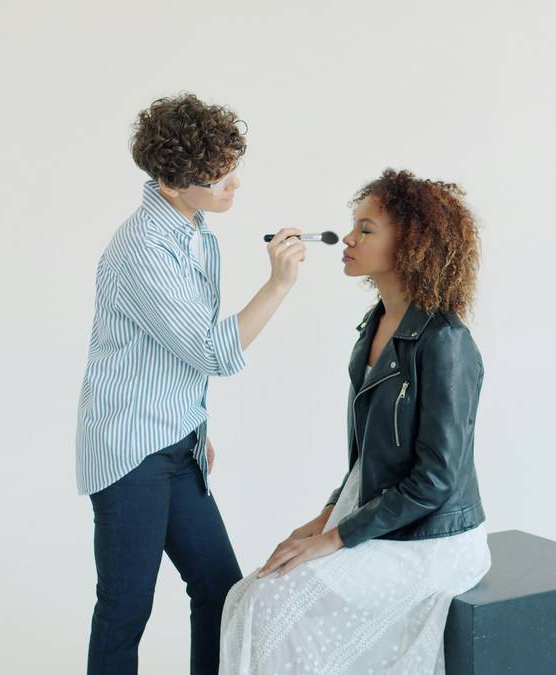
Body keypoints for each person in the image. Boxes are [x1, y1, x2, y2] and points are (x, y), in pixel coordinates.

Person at [219, 169, 490, 674]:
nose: (348, 239)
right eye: (353, 226)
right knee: (252, 594)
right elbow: (368, 460)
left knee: (275, 604)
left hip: (433, 542)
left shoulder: (445, 342)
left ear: (410, 244)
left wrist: (334, 538)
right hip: (382, 523)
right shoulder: (374, 327)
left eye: (366, 229)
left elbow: (435, 480)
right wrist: (322, 518)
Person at [76, 92, 308, 675]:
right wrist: (278, 285)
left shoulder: (191, 228)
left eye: (233, 166)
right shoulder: (143, 249)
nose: (234, 183)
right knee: (125, 609)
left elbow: (178, 353)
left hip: (176, 441)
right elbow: (210, 351)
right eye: (218, 175)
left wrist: (195, 426)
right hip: (131, 449)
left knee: (221, 591)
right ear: (172, 182)